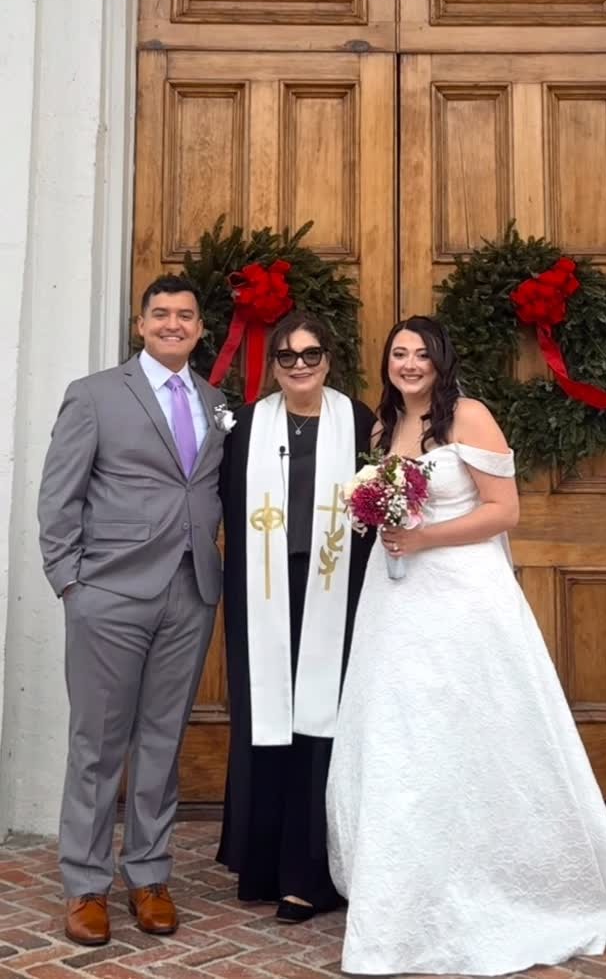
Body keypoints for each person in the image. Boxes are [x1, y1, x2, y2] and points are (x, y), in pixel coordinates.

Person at [326, 315, 606, 976]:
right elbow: (388, 505)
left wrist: (424, 538)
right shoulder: (384, 428)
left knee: (474, 728)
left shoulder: (470, 416)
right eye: (399, 353)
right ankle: (406, 888)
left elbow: (505, 511)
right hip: (396, 599)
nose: (408, 364)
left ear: (441, 360)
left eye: (420, 354)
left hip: (463, 596)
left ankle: (507, 878)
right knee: (404, 735)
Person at [38, 275, 229, 948]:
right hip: (109, 593)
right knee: (97, 744)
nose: (174, 324)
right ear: (140, 324)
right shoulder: (94, 395)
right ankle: (86, 885)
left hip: (190, 591)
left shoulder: (214, 401)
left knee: (161, 741)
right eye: (161, 314)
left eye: (186, 314)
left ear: (200, 328)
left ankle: (149, 874)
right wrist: (71, 583)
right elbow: (59, 494)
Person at [217, 310, 376, 923]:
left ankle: (310, 873)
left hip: (336, 587)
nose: (301, 366)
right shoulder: (246, 425)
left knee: (322, 723)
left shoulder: (360, 422)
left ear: (329, 360)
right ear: (274, 365)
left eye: (312, 355)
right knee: (265, 718)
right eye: (288, 356)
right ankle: (260, 863)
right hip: (262, 587)